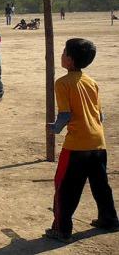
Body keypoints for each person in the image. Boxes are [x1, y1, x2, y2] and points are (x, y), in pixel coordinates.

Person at [44, 38, 118, 242]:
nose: (61, 54)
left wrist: (54, 129)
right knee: (100, 184)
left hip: (76, 145)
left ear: (69, 60)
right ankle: (109, 219)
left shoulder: (62, 83)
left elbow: (65, 115)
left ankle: (62, 228)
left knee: (65, 187)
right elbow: (99, 115)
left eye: (64, 52)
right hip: (98, 141)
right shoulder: (91, 82)